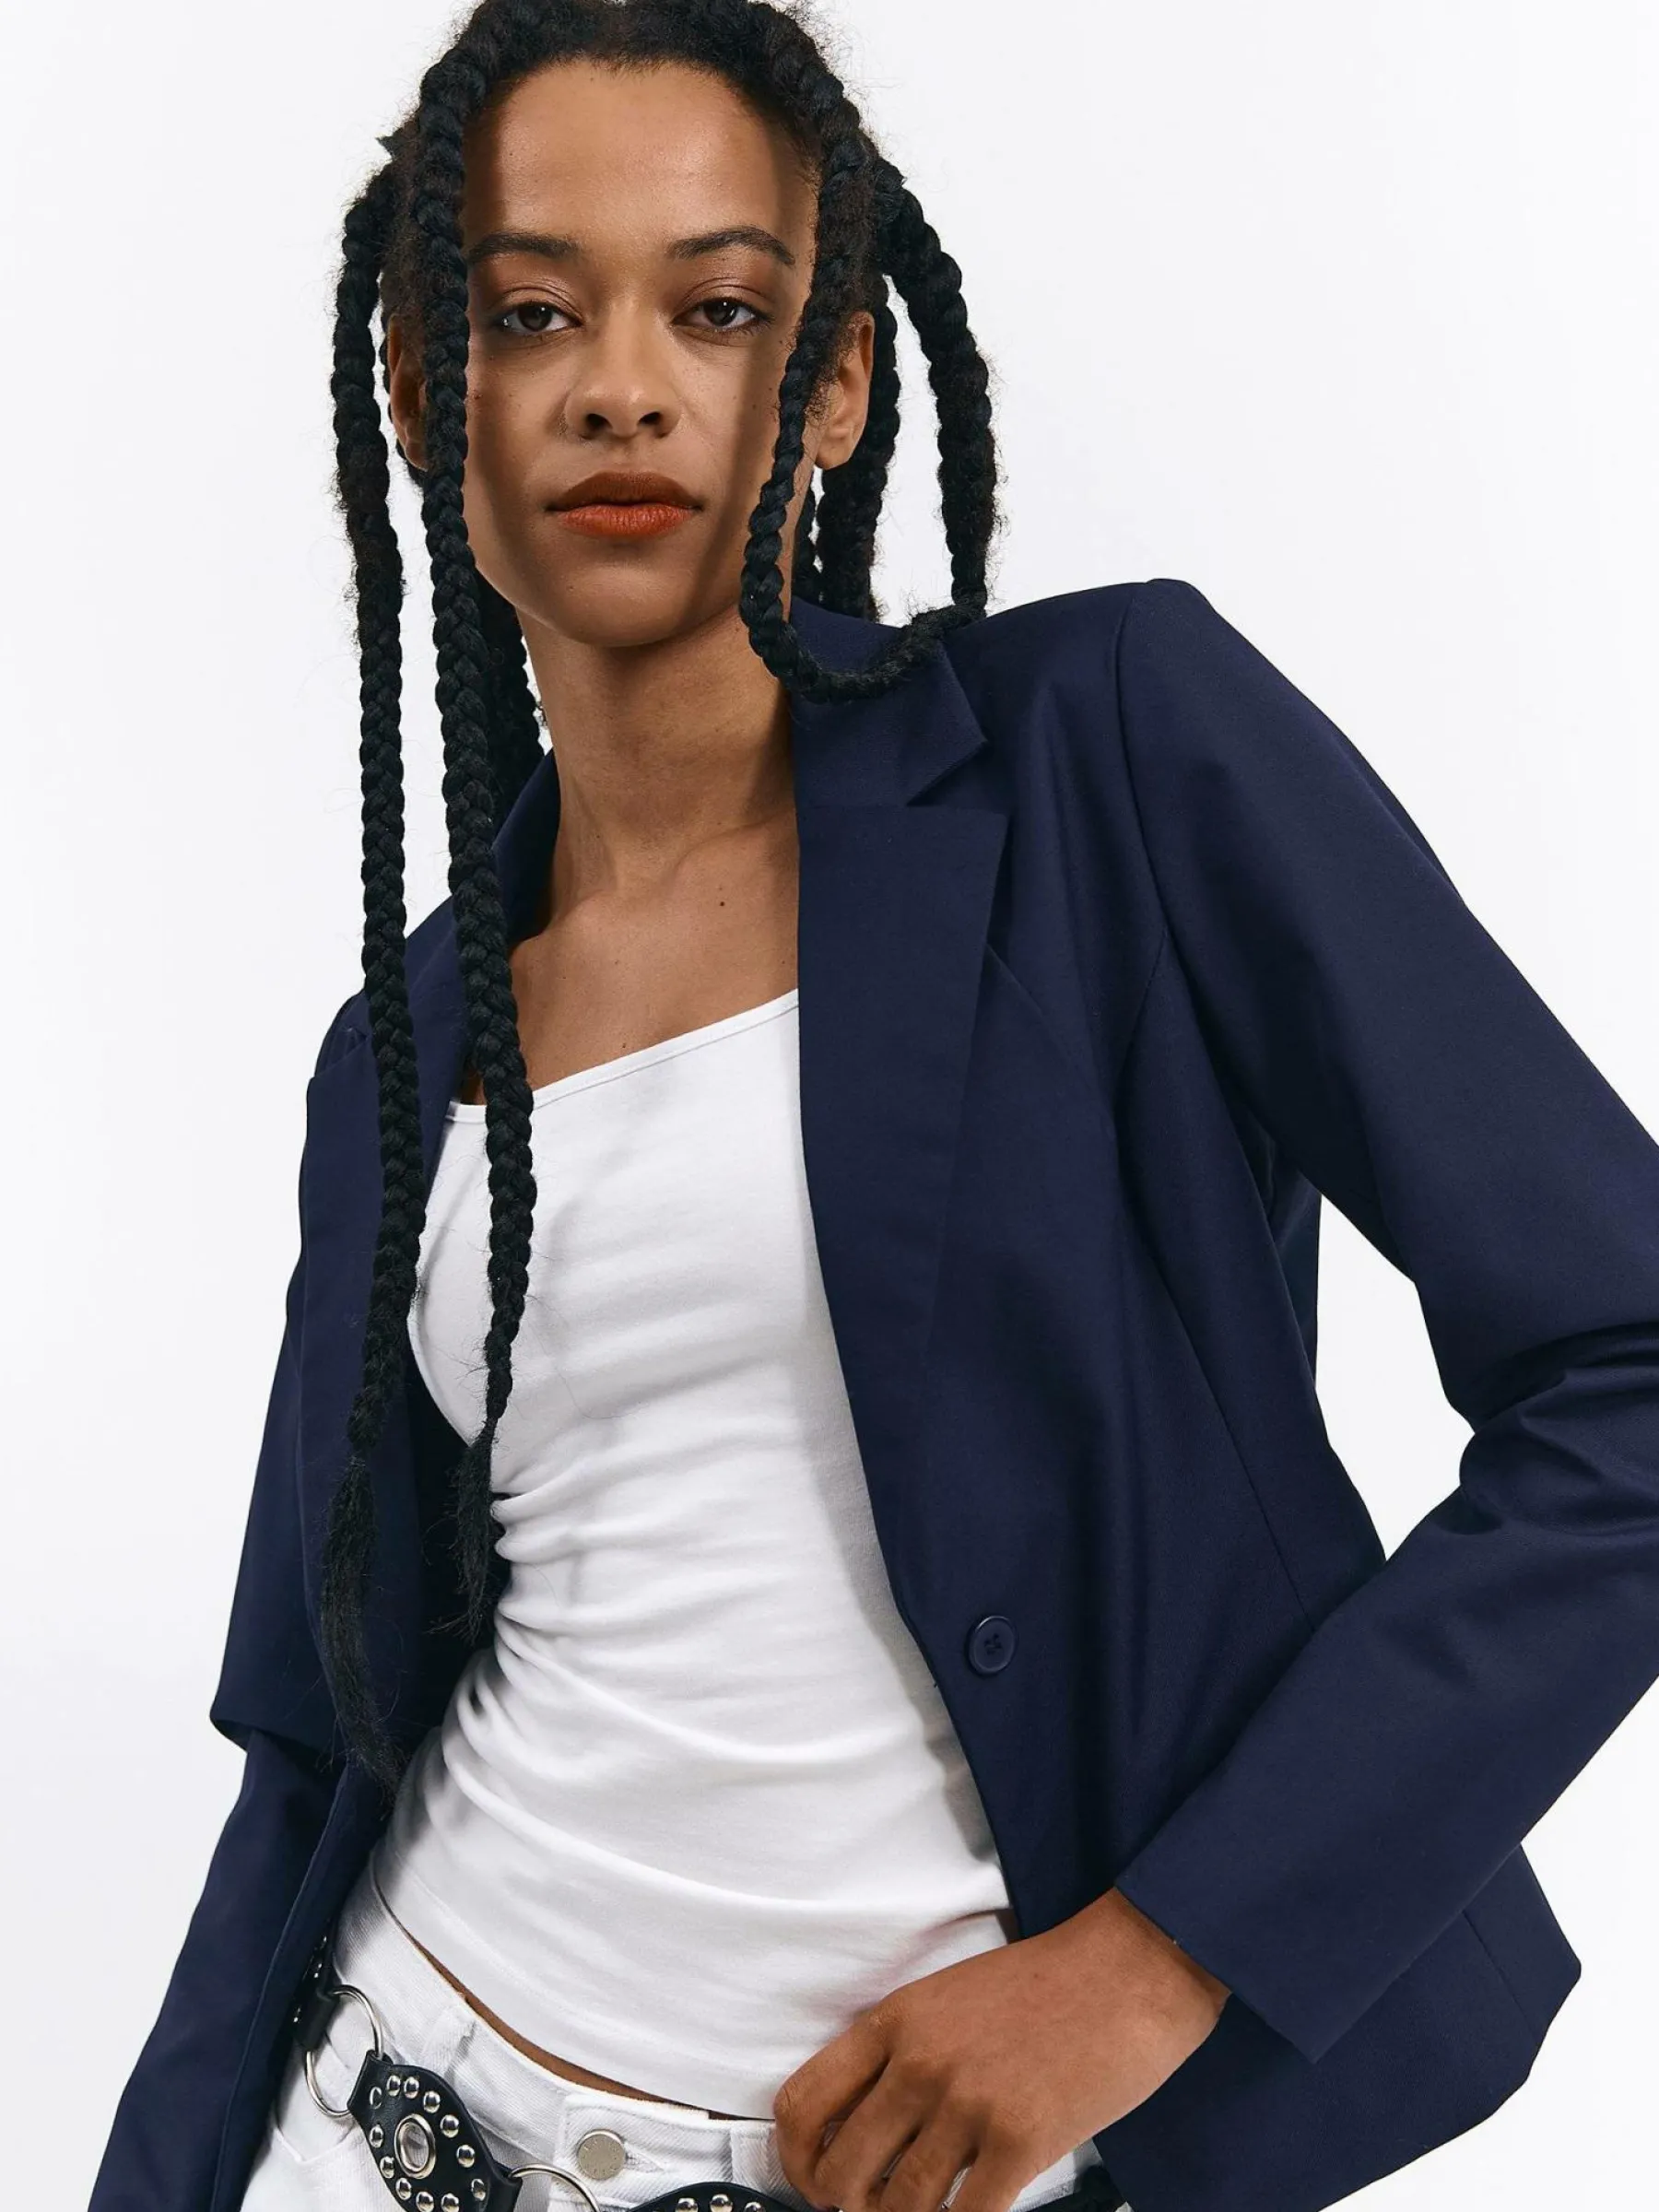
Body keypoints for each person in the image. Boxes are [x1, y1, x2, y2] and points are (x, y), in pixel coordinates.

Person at [88, 3, 1659, 2211]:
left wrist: (1152, 1963)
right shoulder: (406, 1051)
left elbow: (1630, 1372)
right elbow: (310, 1744)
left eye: (717, 309)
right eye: (532, 314)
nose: (623, 386)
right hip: (379, 2111)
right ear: (430, 397)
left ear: (832, 379)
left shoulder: (1112, 761)